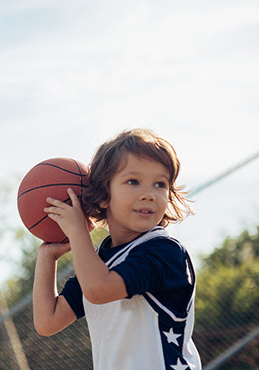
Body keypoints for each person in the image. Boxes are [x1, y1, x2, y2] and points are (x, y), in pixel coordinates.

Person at [32, 128, 201, 370]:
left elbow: (98, 289)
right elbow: (47, 321)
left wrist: (78, 230)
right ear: (103, 196)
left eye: (160, 184)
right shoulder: (100, 263)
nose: (149, 194)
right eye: (133, 181)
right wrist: (47, 256)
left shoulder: (164, 251)